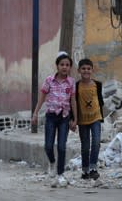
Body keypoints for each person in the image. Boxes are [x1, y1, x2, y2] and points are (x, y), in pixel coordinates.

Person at [31, 52, 77, 188]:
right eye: (62, 64)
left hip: (64, 117)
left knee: (62, 146)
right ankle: (52, 162)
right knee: (48, 146)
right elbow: (42, 98)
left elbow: (73, 100)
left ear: (70, 68)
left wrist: (76, 119)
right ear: (57, 66)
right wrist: (35, 113)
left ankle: (60, 174)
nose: (64, 67)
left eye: (67, 65)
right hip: (51, 116)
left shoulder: (72, 82)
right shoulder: (49, 80)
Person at [76, 58, 104, 180]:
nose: (86, 71)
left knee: (96, 142)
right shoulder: (76, 86)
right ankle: (85, 170)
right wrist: (73, 119)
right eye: (83, 69)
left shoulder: (97, 85)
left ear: (92, 70)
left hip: (96, 117)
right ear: (79, 70)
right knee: (85, 146)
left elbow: (100, 101)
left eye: (88, 68)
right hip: (82, 120)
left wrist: (101, 115)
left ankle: (93, 168)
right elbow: (74, 103)